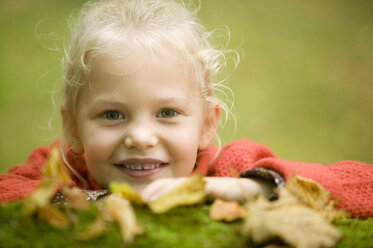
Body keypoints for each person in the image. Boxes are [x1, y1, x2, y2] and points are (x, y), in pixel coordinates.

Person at [0, 0, 372, 219]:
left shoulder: (232, 167)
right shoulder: (61, 169)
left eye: (167, 113)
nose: (141, 138)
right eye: (112, 115)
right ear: (74, 130)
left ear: (207, 124)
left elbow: (363, 185)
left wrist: (248, 188)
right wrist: (95, 200)